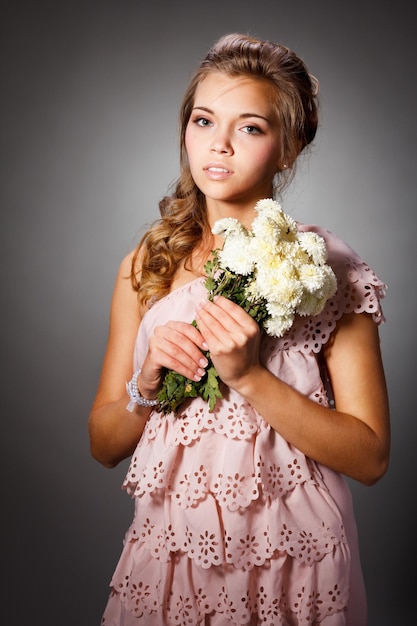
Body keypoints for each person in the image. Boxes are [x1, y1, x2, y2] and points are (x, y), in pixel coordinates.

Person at [88, 33, 390, 626]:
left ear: (288, 149)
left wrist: (250, 376)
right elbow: (103, 445)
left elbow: (372, 456)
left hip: (292, 554)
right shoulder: (146, 266)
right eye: (203, 121)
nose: (218, 146)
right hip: (174, 551)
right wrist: (146, 383)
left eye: (250, 128)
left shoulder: (329, 269)